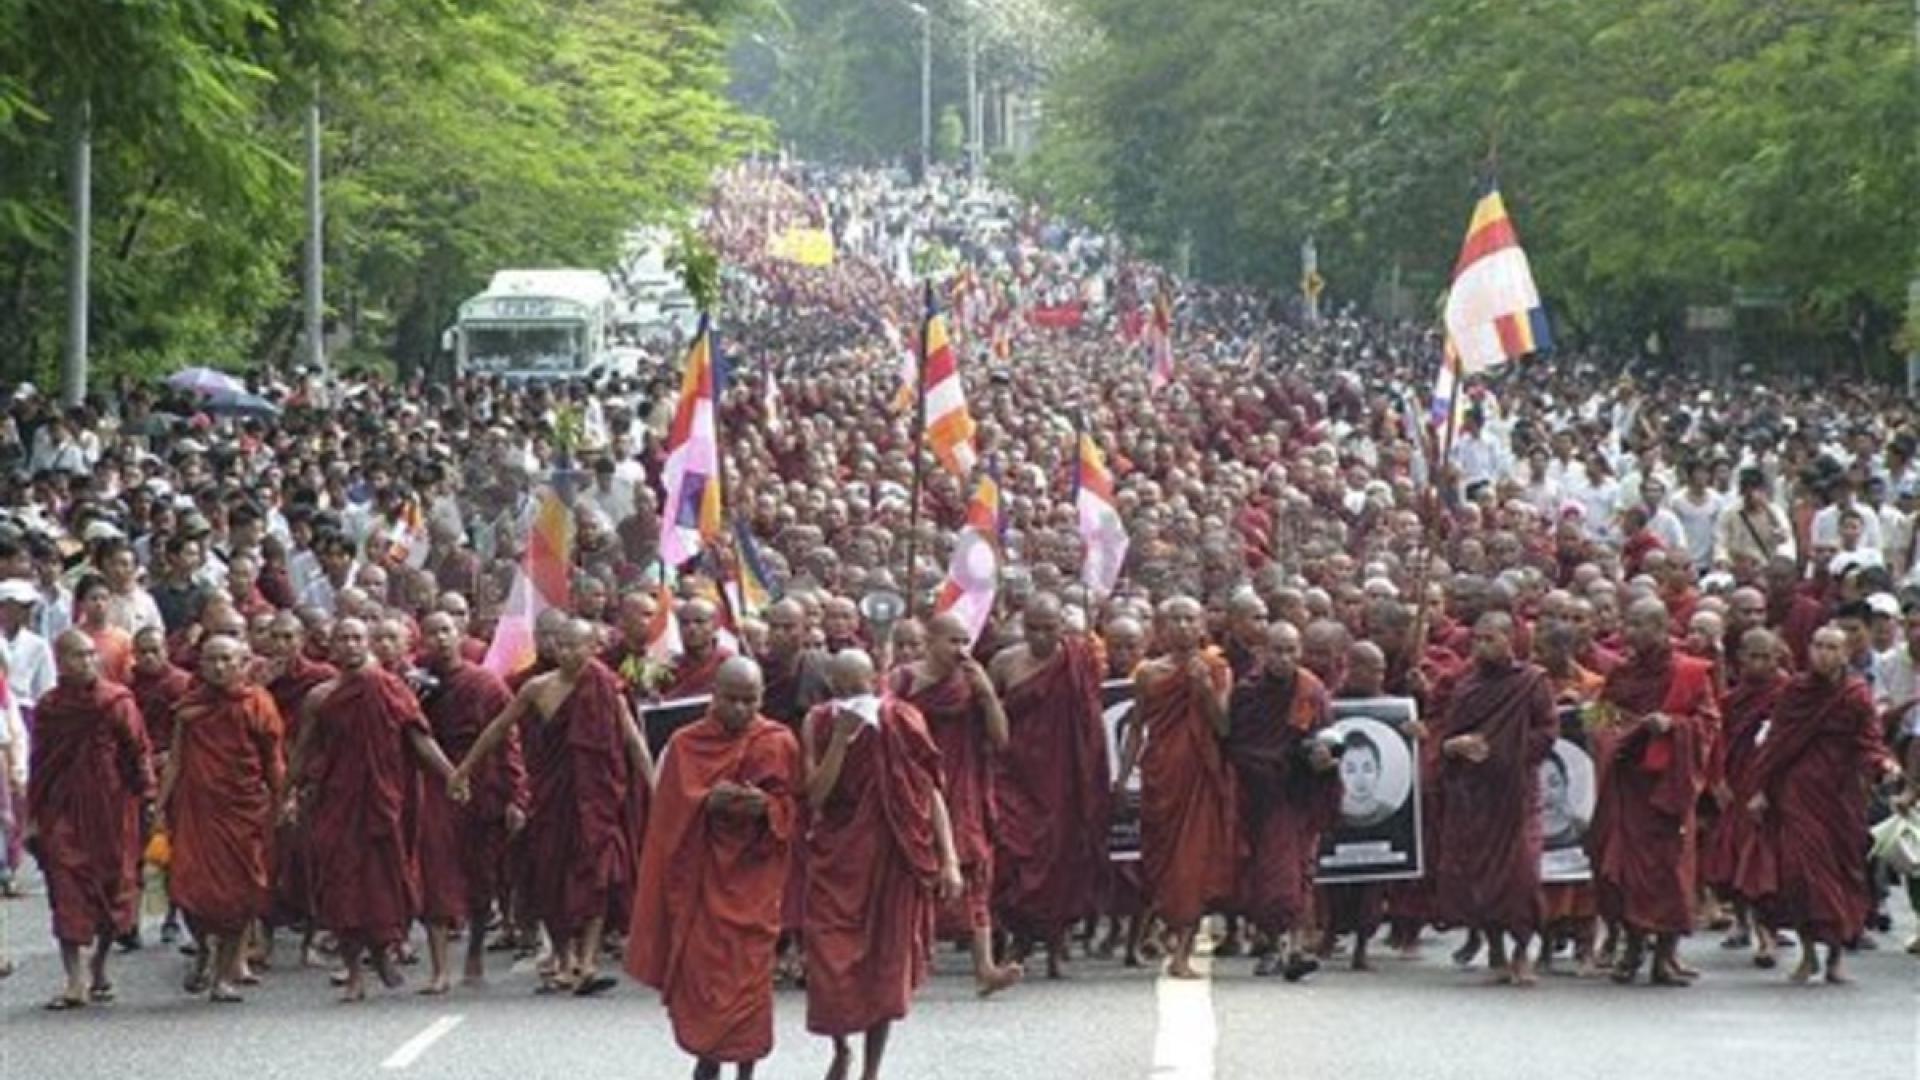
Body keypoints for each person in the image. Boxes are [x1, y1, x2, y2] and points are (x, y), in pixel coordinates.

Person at [452, 618, 653, 995]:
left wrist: (655, 784)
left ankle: (588, 961)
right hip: (552, 796)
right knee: (552, 876)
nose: (567, 652)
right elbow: (498, 728)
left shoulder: (606, 686)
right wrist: (463, 769)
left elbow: (630, 739)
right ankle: (563, 958)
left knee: (596, 874)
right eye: (560, 645)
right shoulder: (537, 688)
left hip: (596, 800)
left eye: (575, 645)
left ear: (593, 647)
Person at [626, 658, 800, 1080]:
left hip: (754, 886)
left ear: (761, 699)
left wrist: (768, 808)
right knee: (705, 982)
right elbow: (669, 816)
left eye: (750, 700)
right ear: (715, 696)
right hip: (704, 884)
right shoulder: (687, 744)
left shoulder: (778, 741)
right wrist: (707, 801)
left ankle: (745, 1073)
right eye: (732, 699)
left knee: (750, 987)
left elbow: (798, 809)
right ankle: (707, 1064)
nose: (741, 709)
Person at [802, 650, 964, 1080]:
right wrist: (839, 739)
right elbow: (815, 796)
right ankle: (840, 1046)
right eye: (840, 689)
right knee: (829, 960)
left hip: (893, 858)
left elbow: (928, 794)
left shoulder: (902, 720)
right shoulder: (818, 722)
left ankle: (872, 1069)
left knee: (884, 967)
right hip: (836, 859)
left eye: (858, 688)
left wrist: (949, 860)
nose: (849, 697)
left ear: (875, 681)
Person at [288, 617, 457, 1002]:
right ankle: (353, 974)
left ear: (369, 644)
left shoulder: (390, 689)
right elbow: (302, 751)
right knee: (341, 885)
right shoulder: (320, 697)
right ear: (330, 647)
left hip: (382, 802)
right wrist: (286, 794)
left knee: (383, 882)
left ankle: (381, 952)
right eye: (342, 638)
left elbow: (418, 738)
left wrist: (452, 775)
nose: (349, 645)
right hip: (337, 802)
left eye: (356, 638)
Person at [1740, 625, 1904, 985]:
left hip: (1840, 795)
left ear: (1845, 654)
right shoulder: (1795, 692)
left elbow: (1869, 740)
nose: (1823, 654)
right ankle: (1809, 954)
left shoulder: (1855, 694)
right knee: (1800, 873)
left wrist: (1883, 764)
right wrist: (1761, 789)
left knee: (1841, 872)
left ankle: (1835, 956)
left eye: (1832, 647)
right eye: (1817, 646)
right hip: (1797, 792)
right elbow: (1777, 743)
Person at [888, 611, 1020, 995]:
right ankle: (910, 963)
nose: (962, 650)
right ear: (930, 642)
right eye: (953, 642)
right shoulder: (904, 680)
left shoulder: (971, 681)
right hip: (915, 781)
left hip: (962, 784)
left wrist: (988, 695)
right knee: (916, 871)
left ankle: (985, 968)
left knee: (975, 869)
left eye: (966, 642)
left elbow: (1001, 739)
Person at [1593, 597, 1718, 986]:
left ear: (1663, 628)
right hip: (1629, 784)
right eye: (1628, 624)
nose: (1631, 633)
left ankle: (1665, 955)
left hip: (1668, 787)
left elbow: (1709, 722)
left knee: (1668, 871)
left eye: (1641, 625)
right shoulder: (1622, 675)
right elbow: (1599, 718)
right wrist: (1621, 731)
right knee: (1625, 870)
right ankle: (1631, 948)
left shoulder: (1690, 673)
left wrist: (1674, 725)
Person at [26, 631, 152, 1009]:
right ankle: (74, 979)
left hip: (109, 808)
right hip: (62, 809)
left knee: (110, 890)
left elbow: (137, 750)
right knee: (65, 887)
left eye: (90, 655)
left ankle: (98, 965)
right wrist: (33, 815)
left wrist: (146, 797)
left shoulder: (115, 702)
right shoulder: (50, 707)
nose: (86, 662)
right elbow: (42, 763)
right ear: (60, 662)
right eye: (77, 656)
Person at [987, 593, 1109, 977]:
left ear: (1062, 627)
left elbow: (1090, 722)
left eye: (1049, 628)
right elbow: (987, 716)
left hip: (1063, 778)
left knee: (1061, 859)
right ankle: (1013, 938)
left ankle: (1055, 947)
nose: (1041, 636)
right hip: (1014, 775)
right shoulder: (1004, 663)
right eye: (1033, 628)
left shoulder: (1078, 660)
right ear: (1023, 627)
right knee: (1010, 853)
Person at [1432, 612, 1556, 986]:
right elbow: (1448, 739)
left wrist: (1505, 750)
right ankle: (1496, 950)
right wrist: (1457, 746)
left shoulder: (1533, 682)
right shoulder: (1467, 688)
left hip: (1516, 792)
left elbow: (1548, 731)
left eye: (1491, 639)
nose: (1482, 647)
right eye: (1477, 640)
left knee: (1522, 873)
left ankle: (1523, 950)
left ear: (1511, 640)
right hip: (1478, 795)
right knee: (1481, 875)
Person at [158, 634, 284, 1002]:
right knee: (189, 889)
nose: (219, 667)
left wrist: (282, 798)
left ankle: (223, 975)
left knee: (243, 892)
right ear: (201, 666)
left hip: (242, 810)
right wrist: (159, 806)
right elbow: (176, 761)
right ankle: (202, 947)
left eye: (227, 659)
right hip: (197, 809)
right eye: (212, 660)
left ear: (243, 663)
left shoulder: (257, 704)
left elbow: (271, 758)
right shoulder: (189, 710)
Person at [1114, 596, 1235, 980]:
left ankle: (1182, 951)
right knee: (1160, 863)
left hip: (1200, 777)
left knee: (1193, 865)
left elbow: (1223, 727)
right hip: (1162, 775)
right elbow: (1136, 727)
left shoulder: (1215, 669)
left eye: (1190, 619)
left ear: (1202, 626)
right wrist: (1122, 776)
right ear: (1160, 629)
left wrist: (1203, 690)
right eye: (1174, 620)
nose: (1183, 626)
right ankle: (1160, 931)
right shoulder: (1148, 673)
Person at [415, 611, 525, 993]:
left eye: (446, 631)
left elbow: (507, 740)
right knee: (435, 869)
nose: (440, 639)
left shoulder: (485, 684)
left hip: (482, 781)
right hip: (434, 781)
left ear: (460, 634)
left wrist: (516, 794)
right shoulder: (415, 682)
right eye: (432, 632)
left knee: (481, 874)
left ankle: (474, 952)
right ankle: (439, 967)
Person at [1223, 620, 1338, 979]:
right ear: (1263, 653)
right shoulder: (1247, 692)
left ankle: (1294, 946)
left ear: (1300, 652)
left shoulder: (1310, 689)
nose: (1284, 658)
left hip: (1298, 793)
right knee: (1268, 871)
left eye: (1291, 650)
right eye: (1277, 650)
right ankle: (1274, 943)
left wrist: (1324, 758)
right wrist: (1267, 762)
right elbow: (1237, 744)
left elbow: (1330, 736)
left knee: (1295, 870)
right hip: (1260, 794)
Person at [662, 598, 733, 699]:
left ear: (715, 626)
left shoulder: (728, 663)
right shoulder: (670, 668)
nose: (692, 628)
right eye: (685, 623)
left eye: (700, 622)